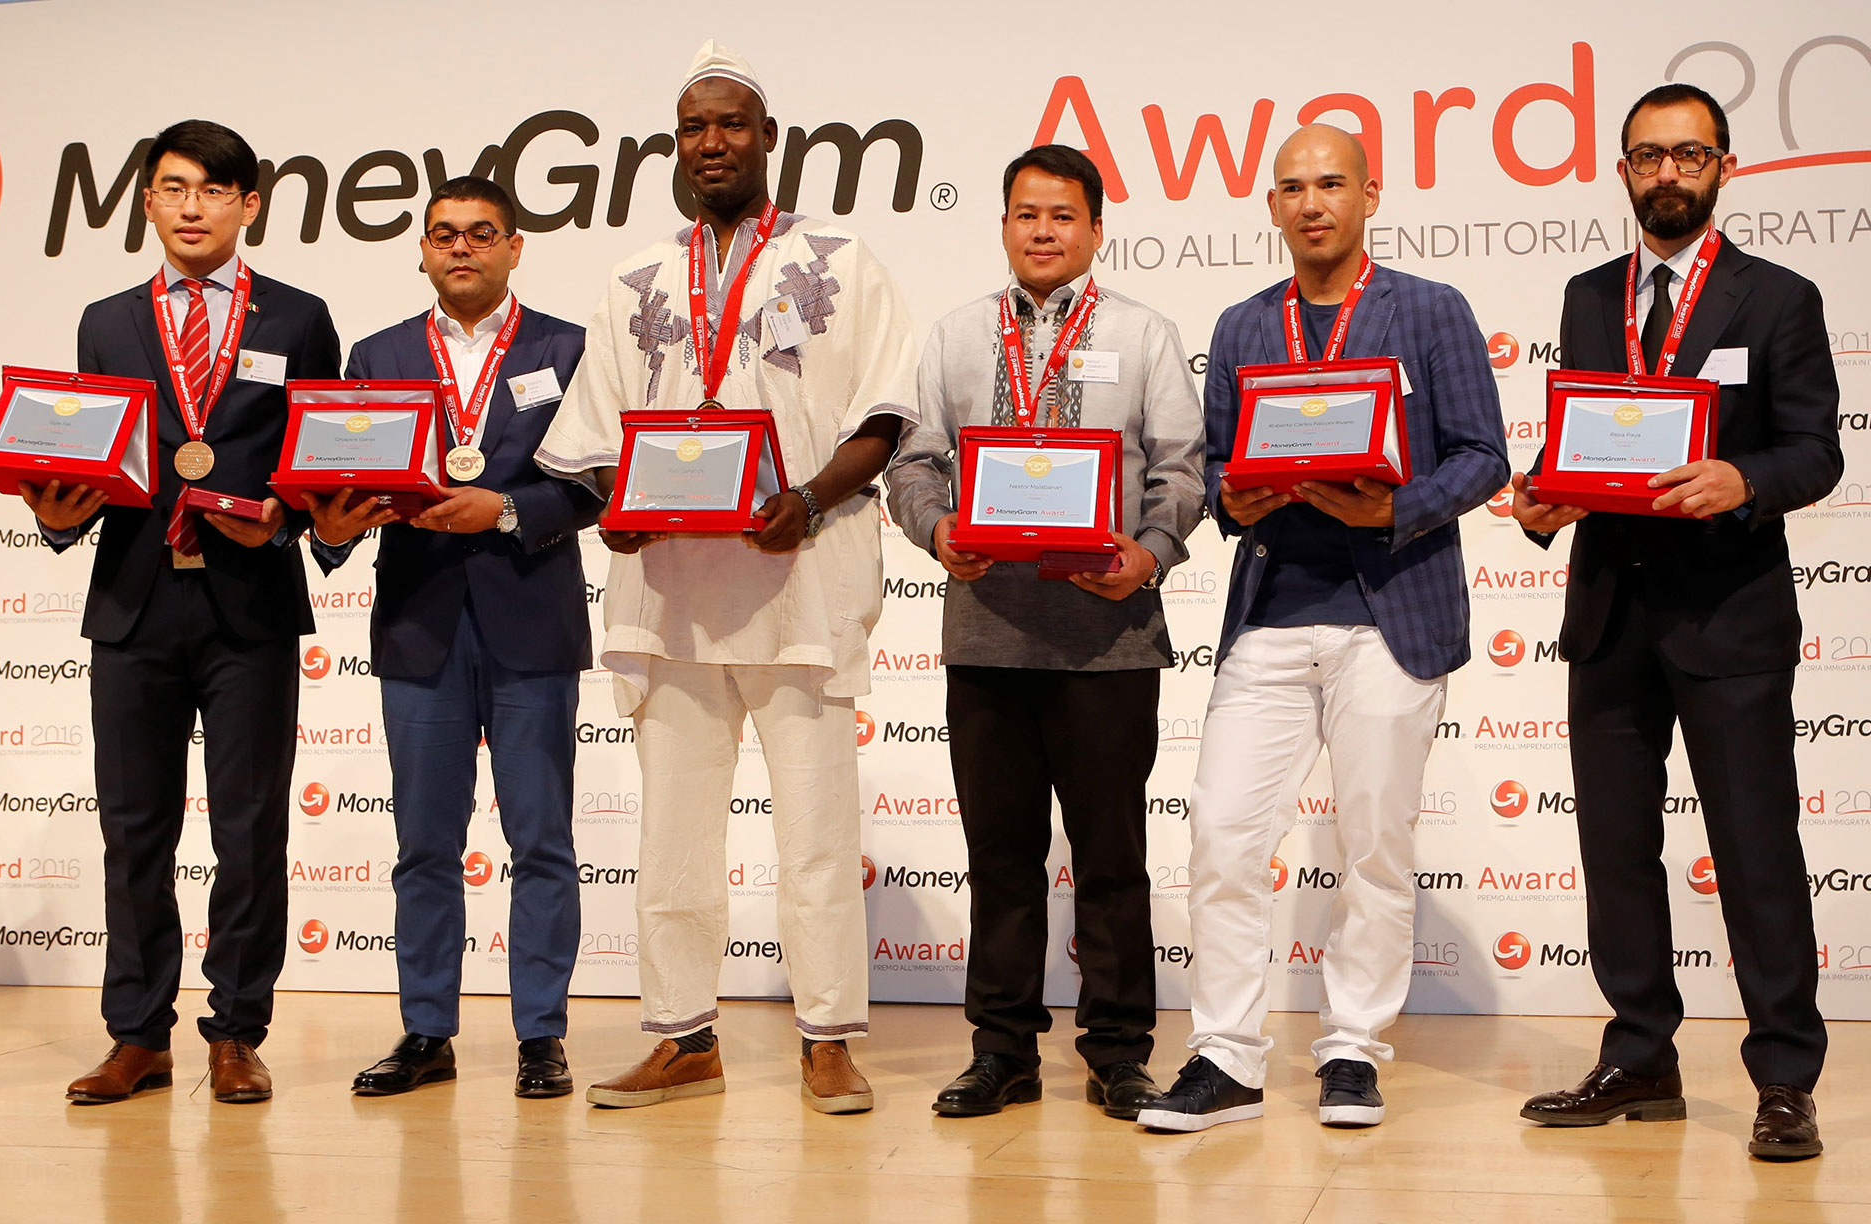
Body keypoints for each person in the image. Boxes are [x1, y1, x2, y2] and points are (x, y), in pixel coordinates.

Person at [534, 40, 916, 1115]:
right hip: (672, 598)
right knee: (674, 837)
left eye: (731, 123)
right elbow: (595, 435)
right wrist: (615, 504)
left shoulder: (841, 261)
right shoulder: (636, 279)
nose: (713, 142)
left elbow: (885, 413)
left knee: (817, 836)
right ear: (675, 145)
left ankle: (827, 1036)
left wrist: (811, 499)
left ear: (769, 139)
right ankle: (682, 1036)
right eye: (694, 126)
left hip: (801, 588)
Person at [1136, 125, 1510, 1133]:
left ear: (1369, 196)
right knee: (1222, 835)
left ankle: (1352, 1048)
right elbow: (1218, 464)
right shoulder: (1244, 324)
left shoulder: (1430, 309)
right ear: (1272, 206)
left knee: (1376, 845)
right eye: (1293, 187)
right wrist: (1231, 497)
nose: (1312, 203)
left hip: (1391, 615)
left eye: (1332, 183)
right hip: (1270, 614)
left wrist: (1391, 508)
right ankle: (1226, 1056)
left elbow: (1483, 455)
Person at [1510, 83, 1842, 1161]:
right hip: (1610, 613)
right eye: (1648, 156)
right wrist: (1540, 495)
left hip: (1730, 617)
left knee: (1755, 851)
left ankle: (1784, 1078)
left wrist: (1742, 478)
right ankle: (1641, 1057)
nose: (1667, 173)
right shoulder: (1587, 296)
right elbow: (1586, 438)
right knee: (1616, 850)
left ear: (1723, 168)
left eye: (1688, 155)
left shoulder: (1776, 298)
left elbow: (1815, 451)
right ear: (1622, 171)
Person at [28, 119, 348, 1105]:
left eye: (213, 190)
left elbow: (324, 456)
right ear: (149, 203)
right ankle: (138, 1036)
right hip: (133, 604)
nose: (192, 207)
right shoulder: (106, 323)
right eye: (173, 188)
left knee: (249, 831)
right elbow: (89, 457)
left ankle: (236, 1032)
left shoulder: (300, 319)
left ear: (249, 205)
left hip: (250, 606)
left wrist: (289, 517)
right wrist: (55, 517)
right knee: (135, 830)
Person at [888, 145, 1204, 1120]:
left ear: (1096, 230)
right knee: (1001, 858)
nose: (1042, 230)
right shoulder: (954, 336)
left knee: (1111, 858)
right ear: (1002, 225)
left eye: (1062, 215)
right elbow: (913, 464)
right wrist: (935, 528)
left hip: (1108, 638)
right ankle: (1001, 1051)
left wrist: (1151, 551)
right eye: (1026, 213)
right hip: (988, 636)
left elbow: (1183, 468)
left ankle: (1119, 1051)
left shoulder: (1144, 334)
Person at [301, 176, 598, 1100]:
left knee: (541, 840)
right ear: (422, 251)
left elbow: (594, 482)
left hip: (531, 620)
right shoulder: (379, 354)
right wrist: (331, 528)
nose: (460, 247)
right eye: (443, 235)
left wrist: (503, 509)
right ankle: (427, 1030)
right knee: (424, 845)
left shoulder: (567, 348)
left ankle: (541, 1035)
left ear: (514, 247)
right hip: (420, 621)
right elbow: (341, 474)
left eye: (480, 233)